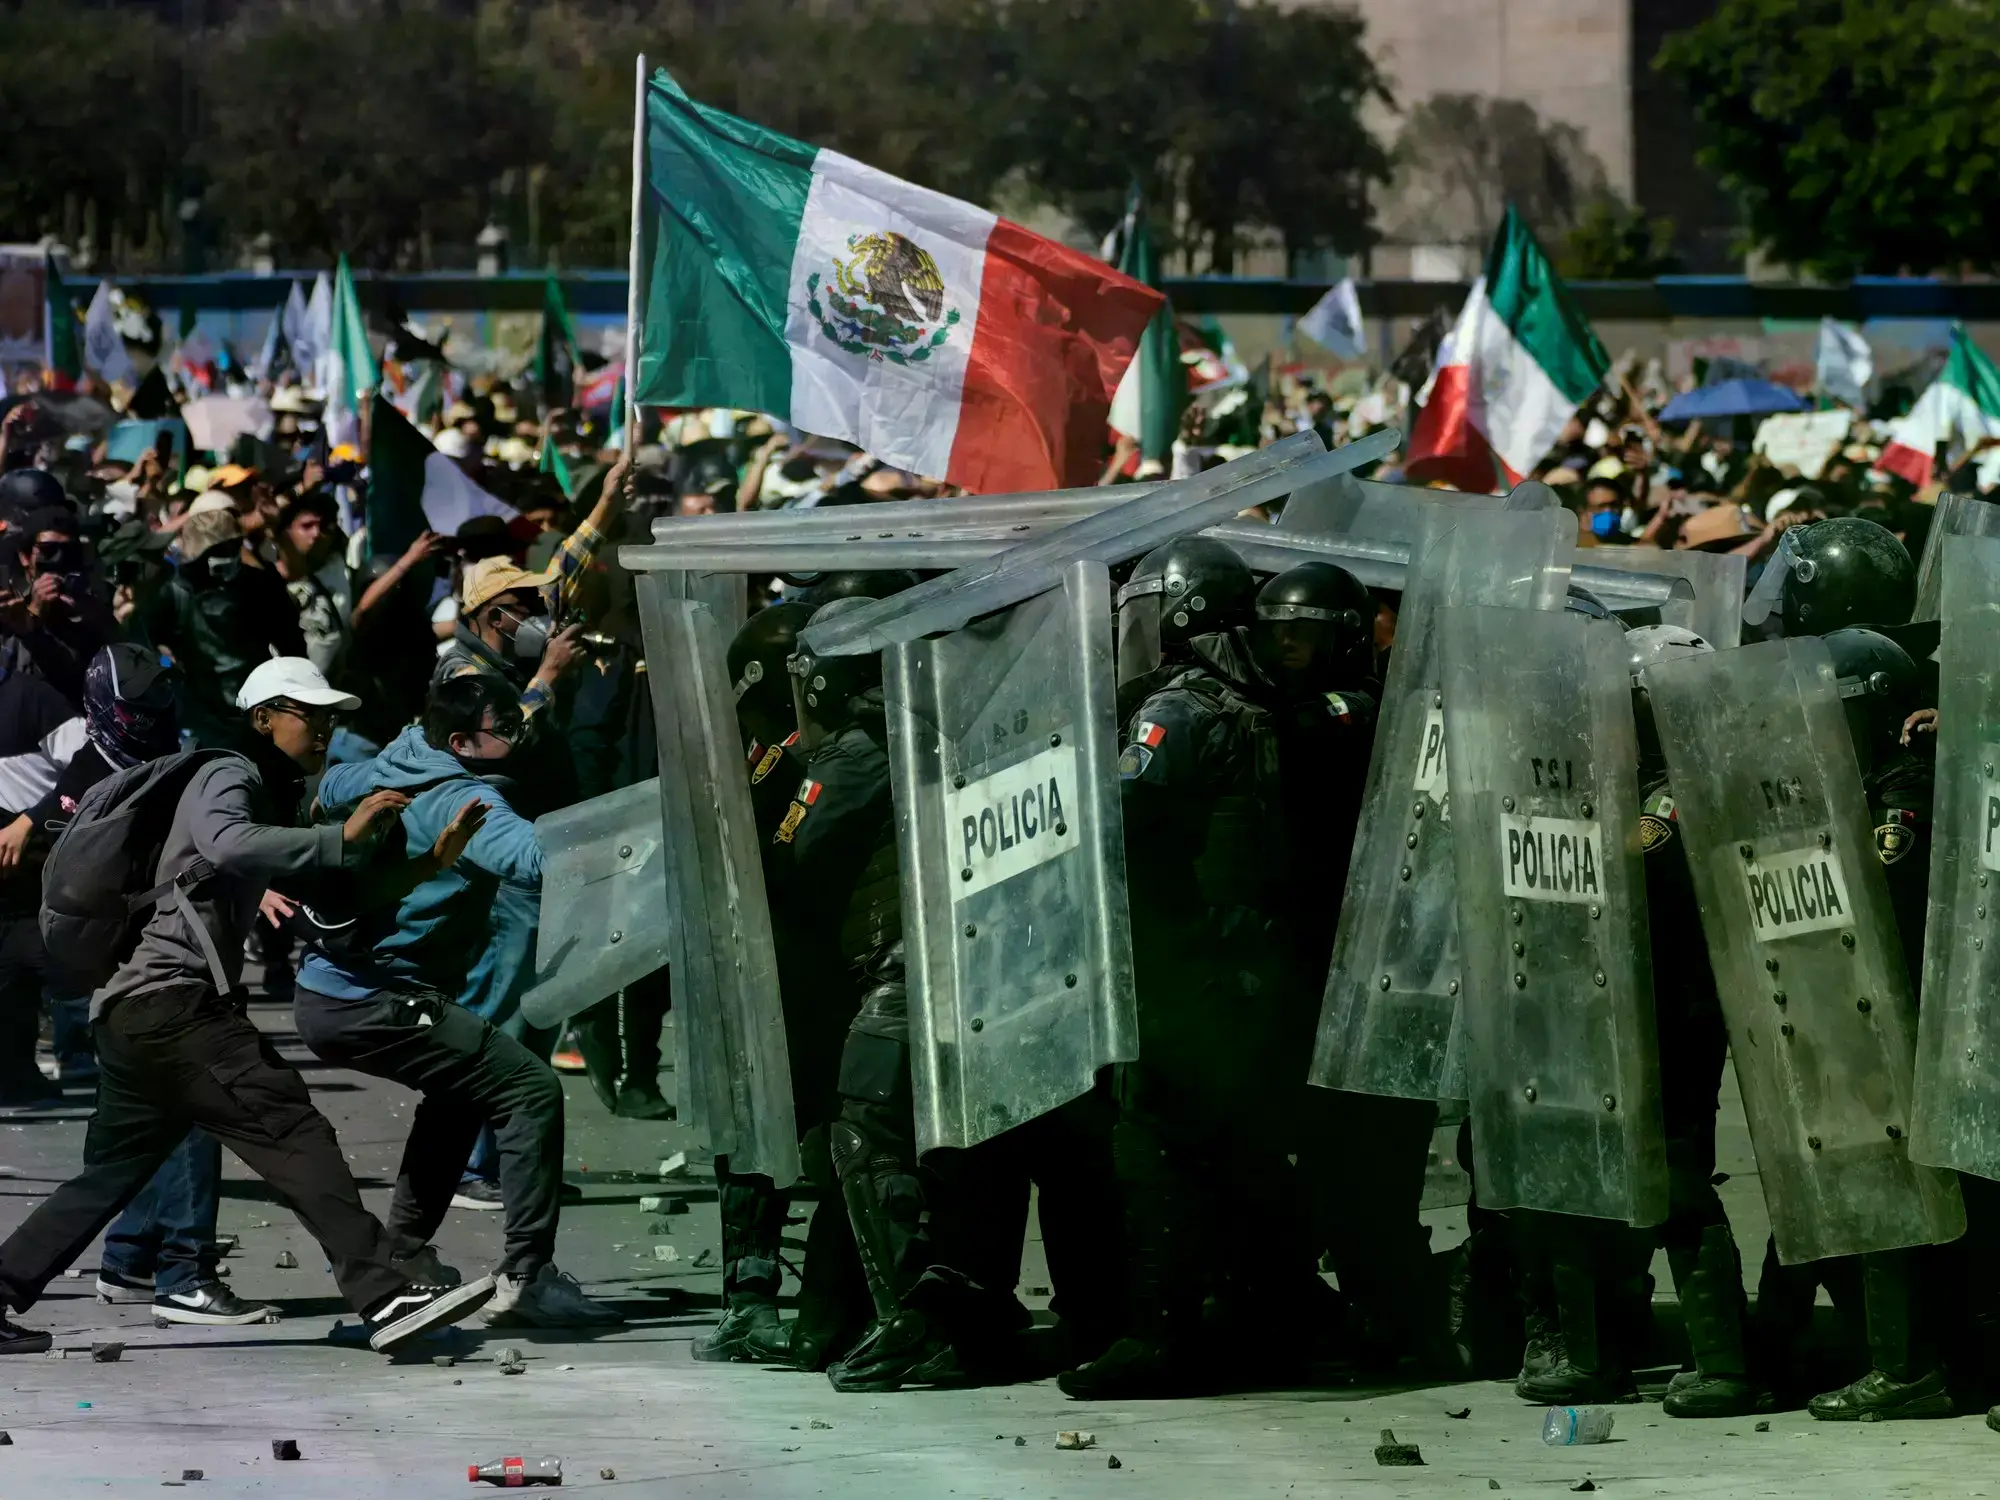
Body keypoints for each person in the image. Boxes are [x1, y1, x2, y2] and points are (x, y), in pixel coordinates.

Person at [0, 656, 495, 1355]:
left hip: (136, 1011)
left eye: (330, 718)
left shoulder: (276, 798)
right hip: (175, 1004)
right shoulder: (228, 772)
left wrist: (428, 864)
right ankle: (385, 1294)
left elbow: (332, 904)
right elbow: (228, 845)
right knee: (292, 1129)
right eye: (309, 714)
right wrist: (343, 836)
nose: (323, 729)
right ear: (263, 718)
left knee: (110, 1175)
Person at [1063, 560, 1381, 1399]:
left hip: (1198, 962)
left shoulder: (1186, 708)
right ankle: (1267, 1324)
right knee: (1243, 1145)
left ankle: (1161, 1337)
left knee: (1155, 1139)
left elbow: (1118, 823)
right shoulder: (1277, 704)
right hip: (1264, 964)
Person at [291, 672, 623, 1328]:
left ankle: (405, 1253)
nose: (522, 735)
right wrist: (629, 839)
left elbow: (326, 788)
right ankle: (527, 1277)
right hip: (375, 998)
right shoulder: (466, 798)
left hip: (329, 990)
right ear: (463, 743)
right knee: (530, 1088)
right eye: (508, 727)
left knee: (461, 1093)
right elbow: (535, 862)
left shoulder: (398, 758)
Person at [138, 496, 306, 750]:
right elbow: (144, 643)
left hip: (257, 716)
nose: (224, 557)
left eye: (229, 548)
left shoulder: (262, 585)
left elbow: (293, 648)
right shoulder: (173, 593)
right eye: (214, 551)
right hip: (202, 722)